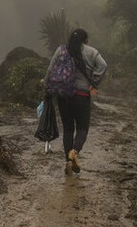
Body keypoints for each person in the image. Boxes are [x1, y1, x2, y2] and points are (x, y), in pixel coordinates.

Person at [44, 28, 107, 175]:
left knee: (67, 129)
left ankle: (68, 161)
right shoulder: (91, 52)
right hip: (81, 96)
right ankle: (75, 152)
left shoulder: (61, 50)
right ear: (85, 40)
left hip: (64, 96)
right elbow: (103, 65)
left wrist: (47, 89)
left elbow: (50, 69)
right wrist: (94, 82)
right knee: (82, 129)